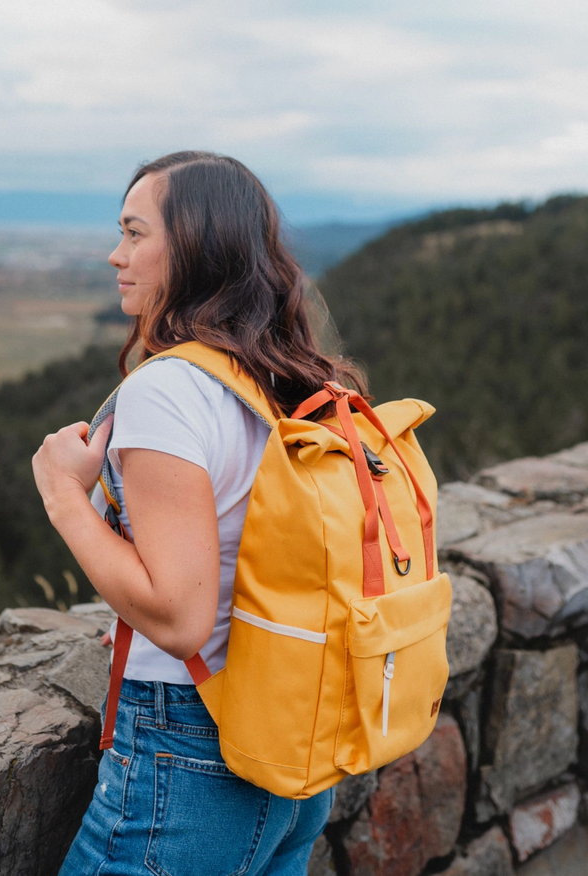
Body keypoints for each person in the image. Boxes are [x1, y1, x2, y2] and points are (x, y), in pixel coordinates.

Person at [32, 151, 368, 876]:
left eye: (133, 233)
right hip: (289, 734)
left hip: (190, 745)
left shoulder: (169, 390)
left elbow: (179, 617)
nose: (114, 254)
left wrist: (63, 496)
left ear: (193, 247)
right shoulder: (287, 372)